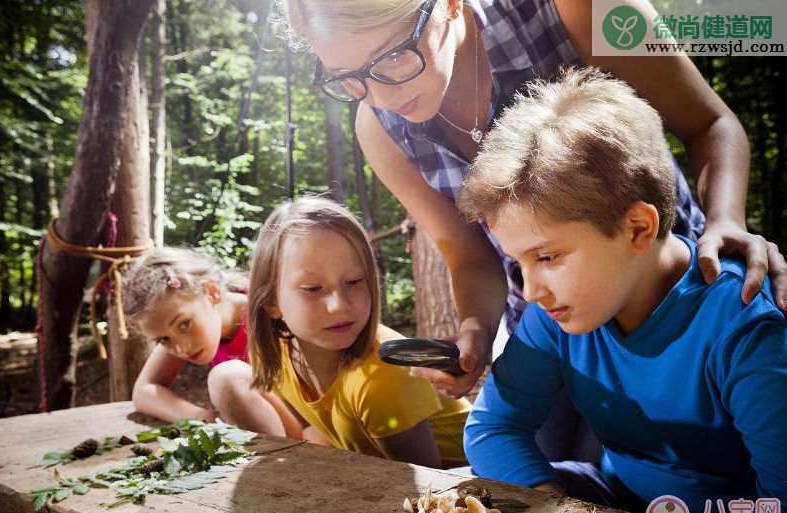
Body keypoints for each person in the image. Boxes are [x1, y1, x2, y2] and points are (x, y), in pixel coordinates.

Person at [278, 0, 787, 408]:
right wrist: (475, 330)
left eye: (392, 57)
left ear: (450, 5)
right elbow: (468, 253)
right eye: (347, 77)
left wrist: (726, 220)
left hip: (668, 296)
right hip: (551, 330)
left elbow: (711, 125)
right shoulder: (380, 129)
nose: (381, 96)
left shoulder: (576, 7)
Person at [459, 68, 787, 513]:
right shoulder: (556, 314)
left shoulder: (745, 329)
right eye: (518, 264)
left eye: (548, 257)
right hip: (616, 500)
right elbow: (493, 427)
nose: (530, 292)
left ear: (638, 228)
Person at [246, 196, 471, 468]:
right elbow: (315, 432)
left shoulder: (383, 375)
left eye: (354, 281)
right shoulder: (277, 357)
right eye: (312, 289)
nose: (339, 305)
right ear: (271, 302)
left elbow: (426, 484)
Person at [122, 247, 296, 435]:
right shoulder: (183, 321)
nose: (181, 348)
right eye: (164, 339)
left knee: (226, 379)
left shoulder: (270, 311)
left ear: (212, 292)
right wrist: (203, 418)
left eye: (185, 324)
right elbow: (144, 391)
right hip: (273, 434)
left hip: (313, 435)